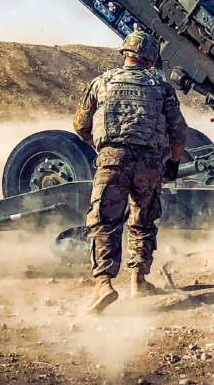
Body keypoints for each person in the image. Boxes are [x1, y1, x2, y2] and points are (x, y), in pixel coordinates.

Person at [72, 29, 186, 313]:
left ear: (126, 54)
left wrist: (101, 148)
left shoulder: (102, 82)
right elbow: (179, 132)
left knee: (104, 222)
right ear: (150, 59)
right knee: (143, 220)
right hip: (149, 162)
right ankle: (138, 279)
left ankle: (103, 284)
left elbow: (80, 124)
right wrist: (172, 161)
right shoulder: (161, 87)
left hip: (113, 159)